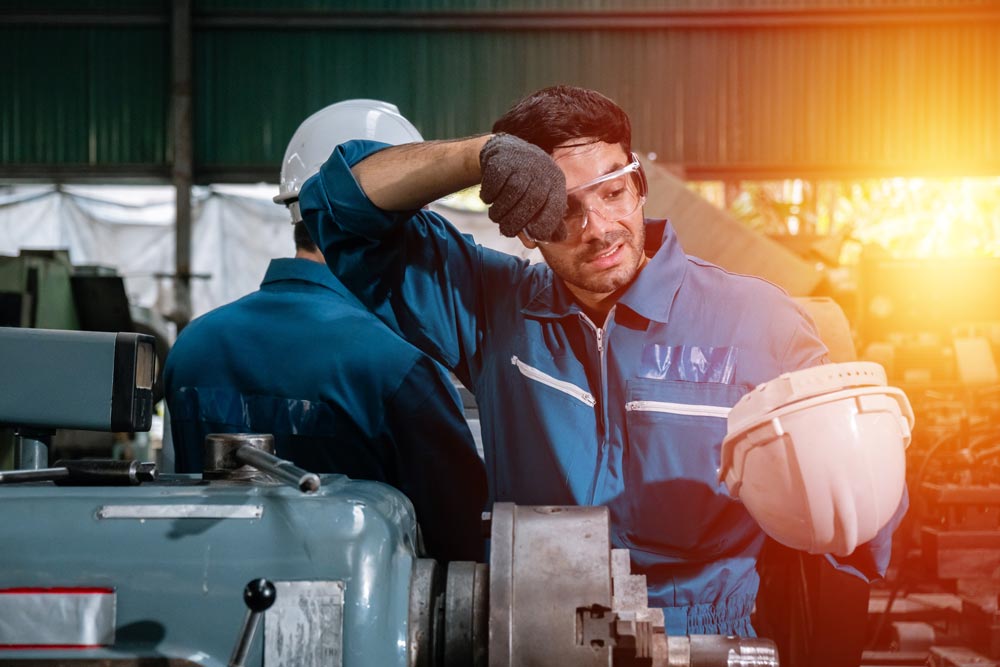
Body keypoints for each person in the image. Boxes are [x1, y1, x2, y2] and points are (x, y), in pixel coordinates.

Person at [298, 85, 906, 636]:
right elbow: (338, 212)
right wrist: (477, 156)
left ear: (639, 187)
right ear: (524, 226)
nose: (599, 228)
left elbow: (859, 514)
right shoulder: (490, 309)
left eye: (613, 193)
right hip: (538, 634)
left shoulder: (757, 322)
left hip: (712, 636)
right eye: (562, 209)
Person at [163, 100, 487, 563]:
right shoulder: (399, 369)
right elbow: (463, 549)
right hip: (357, 625)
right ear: (405, 218)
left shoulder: (193, 345)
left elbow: (170, 498)